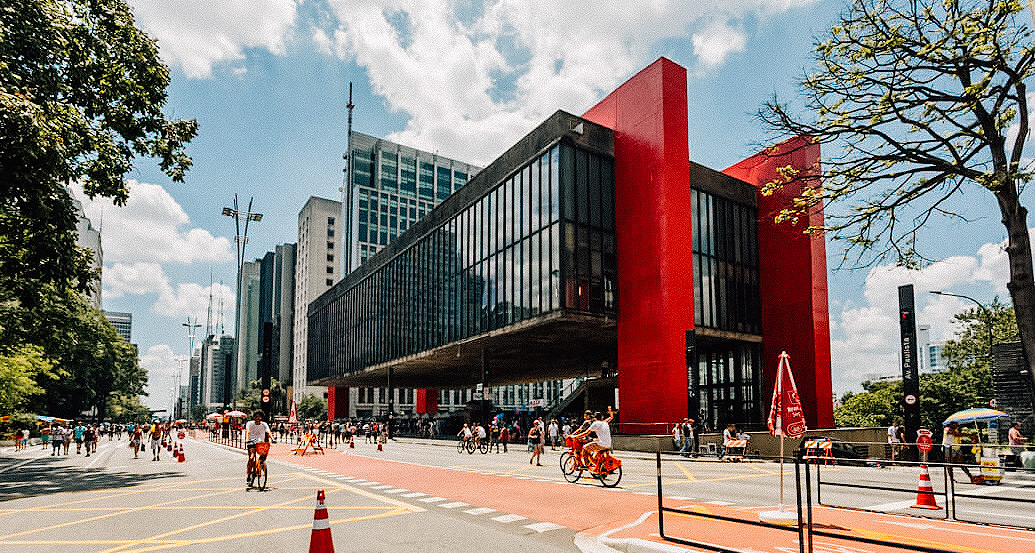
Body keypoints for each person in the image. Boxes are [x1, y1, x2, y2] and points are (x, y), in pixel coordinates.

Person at [245, 411, 273, 484]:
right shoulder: (250, 424)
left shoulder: (264, 424)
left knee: (263, 457)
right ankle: (249, 474)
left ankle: (261, 467)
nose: (258, 418)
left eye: (259, 417)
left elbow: (268, 432)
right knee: (251, 457)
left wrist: (272, 439)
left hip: (261, 443)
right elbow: (247, 431)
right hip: (251, 442)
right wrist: (247, 439)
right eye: (256, 416)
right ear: (254, 417)